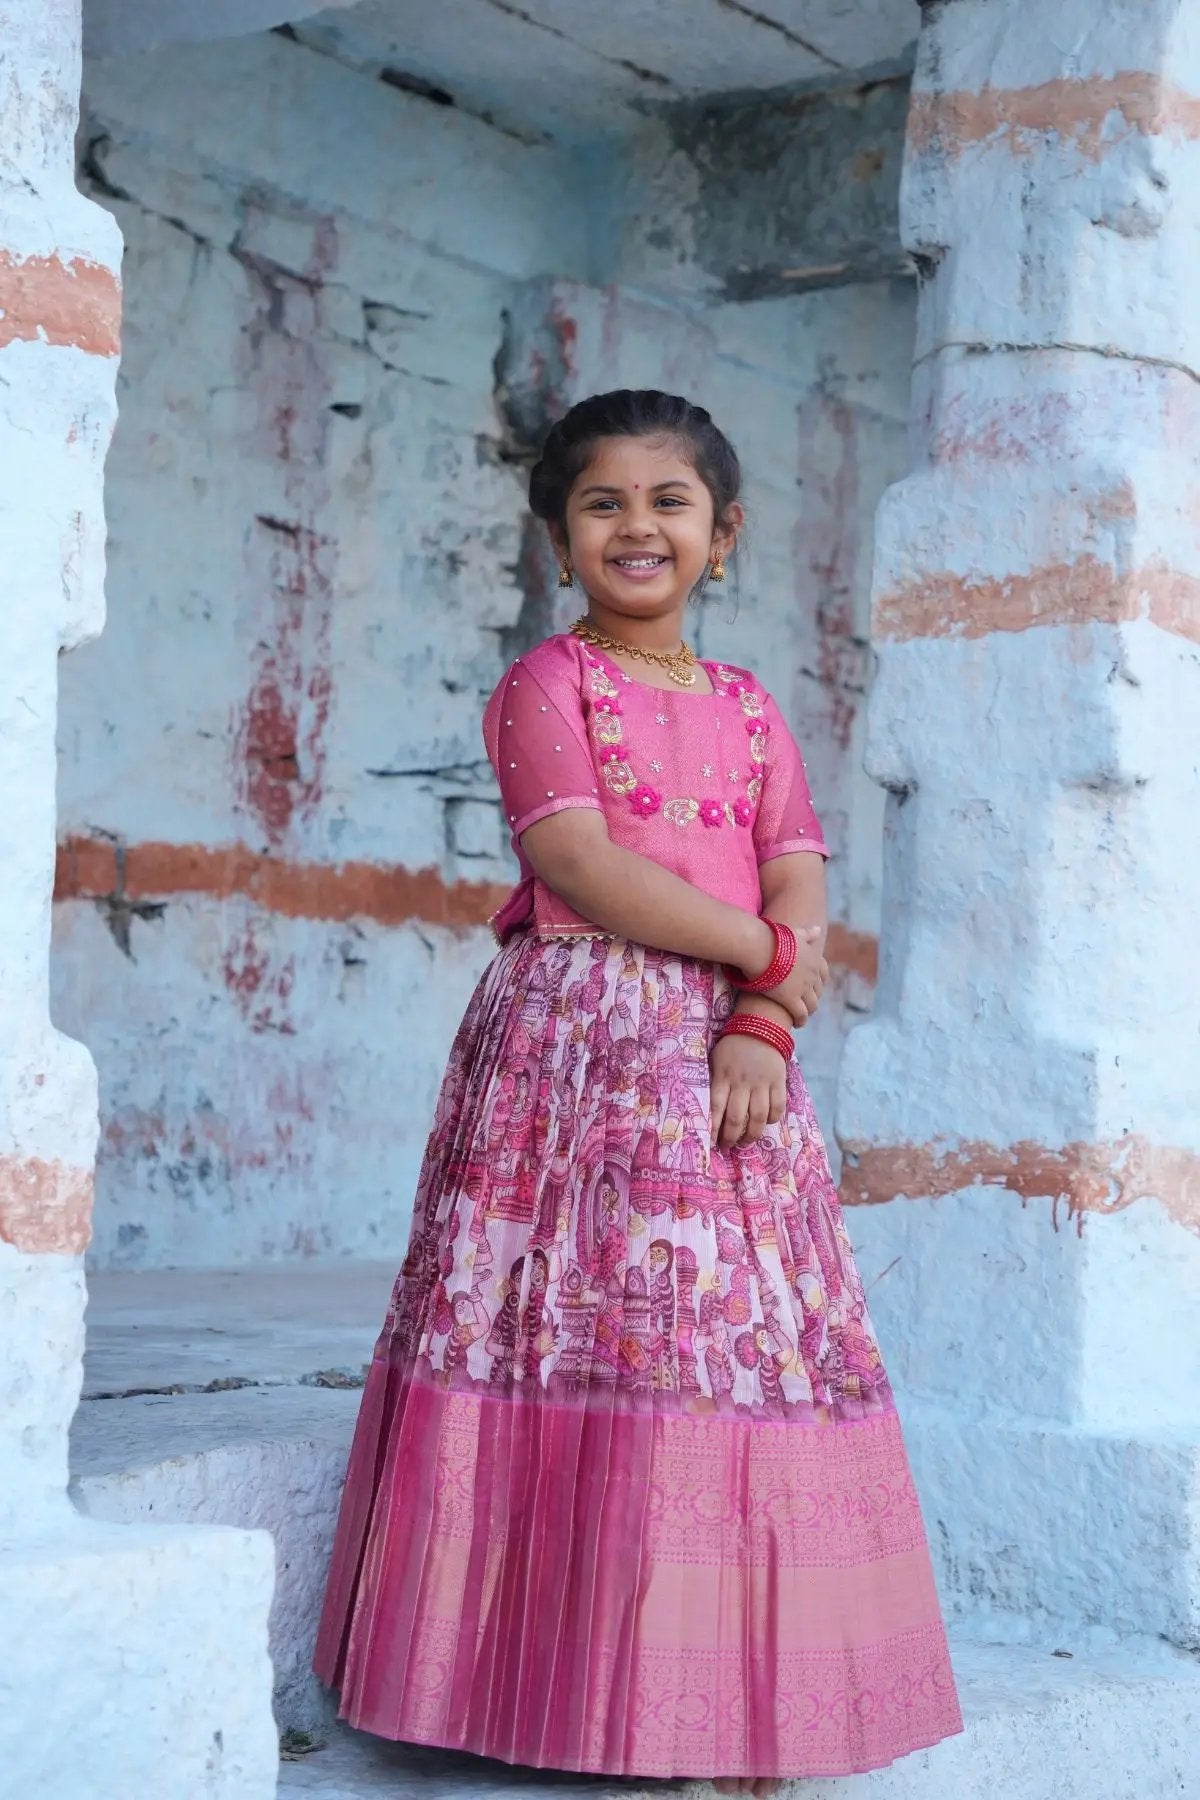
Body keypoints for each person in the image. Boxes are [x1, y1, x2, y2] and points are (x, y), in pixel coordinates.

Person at [314, 390, 962, 1791]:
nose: (636, 526)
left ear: (721, 538)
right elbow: (582, 867)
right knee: (582, 1330)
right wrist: (774, 957)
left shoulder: (747, 710)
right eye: (602, 503)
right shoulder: (550, 686)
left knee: (720, 1345)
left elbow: (798, 867)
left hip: (729, 1061)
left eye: (669, 503)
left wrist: (766, 1023)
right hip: (576, 1052)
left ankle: (723, 1692)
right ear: (561, 537)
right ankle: (546, 1684)